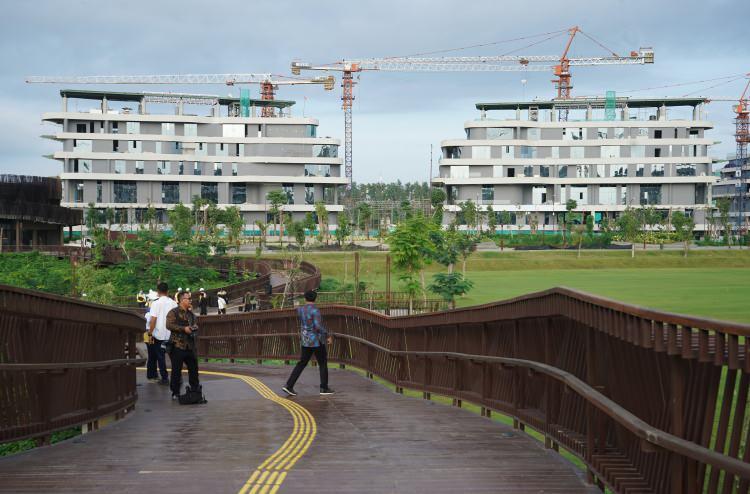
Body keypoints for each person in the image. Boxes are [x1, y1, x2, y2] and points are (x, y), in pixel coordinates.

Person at [283, 290, 334, 396]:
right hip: (316, 341)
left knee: (301, 363)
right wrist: (327, 335)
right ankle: (324, 388)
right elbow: (317, 326)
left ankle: (289, 385)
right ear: (315, 298)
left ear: (305, 298)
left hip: (305, 340)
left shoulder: (300, 310)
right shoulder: (315, 310)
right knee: (323, 363)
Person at [166, 291, 201, 400]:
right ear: (182, 300)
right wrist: (183, 329)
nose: (190, 300)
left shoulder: (191, 314)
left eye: (190, 299)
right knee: (176, 370)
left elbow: (195, 324)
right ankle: (175, 392)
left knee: (194, 369)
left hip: (190, 345)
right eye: (188, 298)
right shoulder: (173, 312)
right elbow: (169, 325)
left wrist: (194, 328)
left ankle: (195, 390)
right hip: (177, 345)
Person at [148, 282, 178, 385]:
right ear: (167, 291)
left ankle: (164, 378)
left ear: (158, 292)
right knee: (174, 356)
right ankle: (177, 377)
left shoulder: (155, 303)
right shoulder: (174, 303)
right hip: (172, 333)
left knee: (161, 357)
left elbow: (153, 320)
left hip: (159, 334)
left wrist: (150, 333)